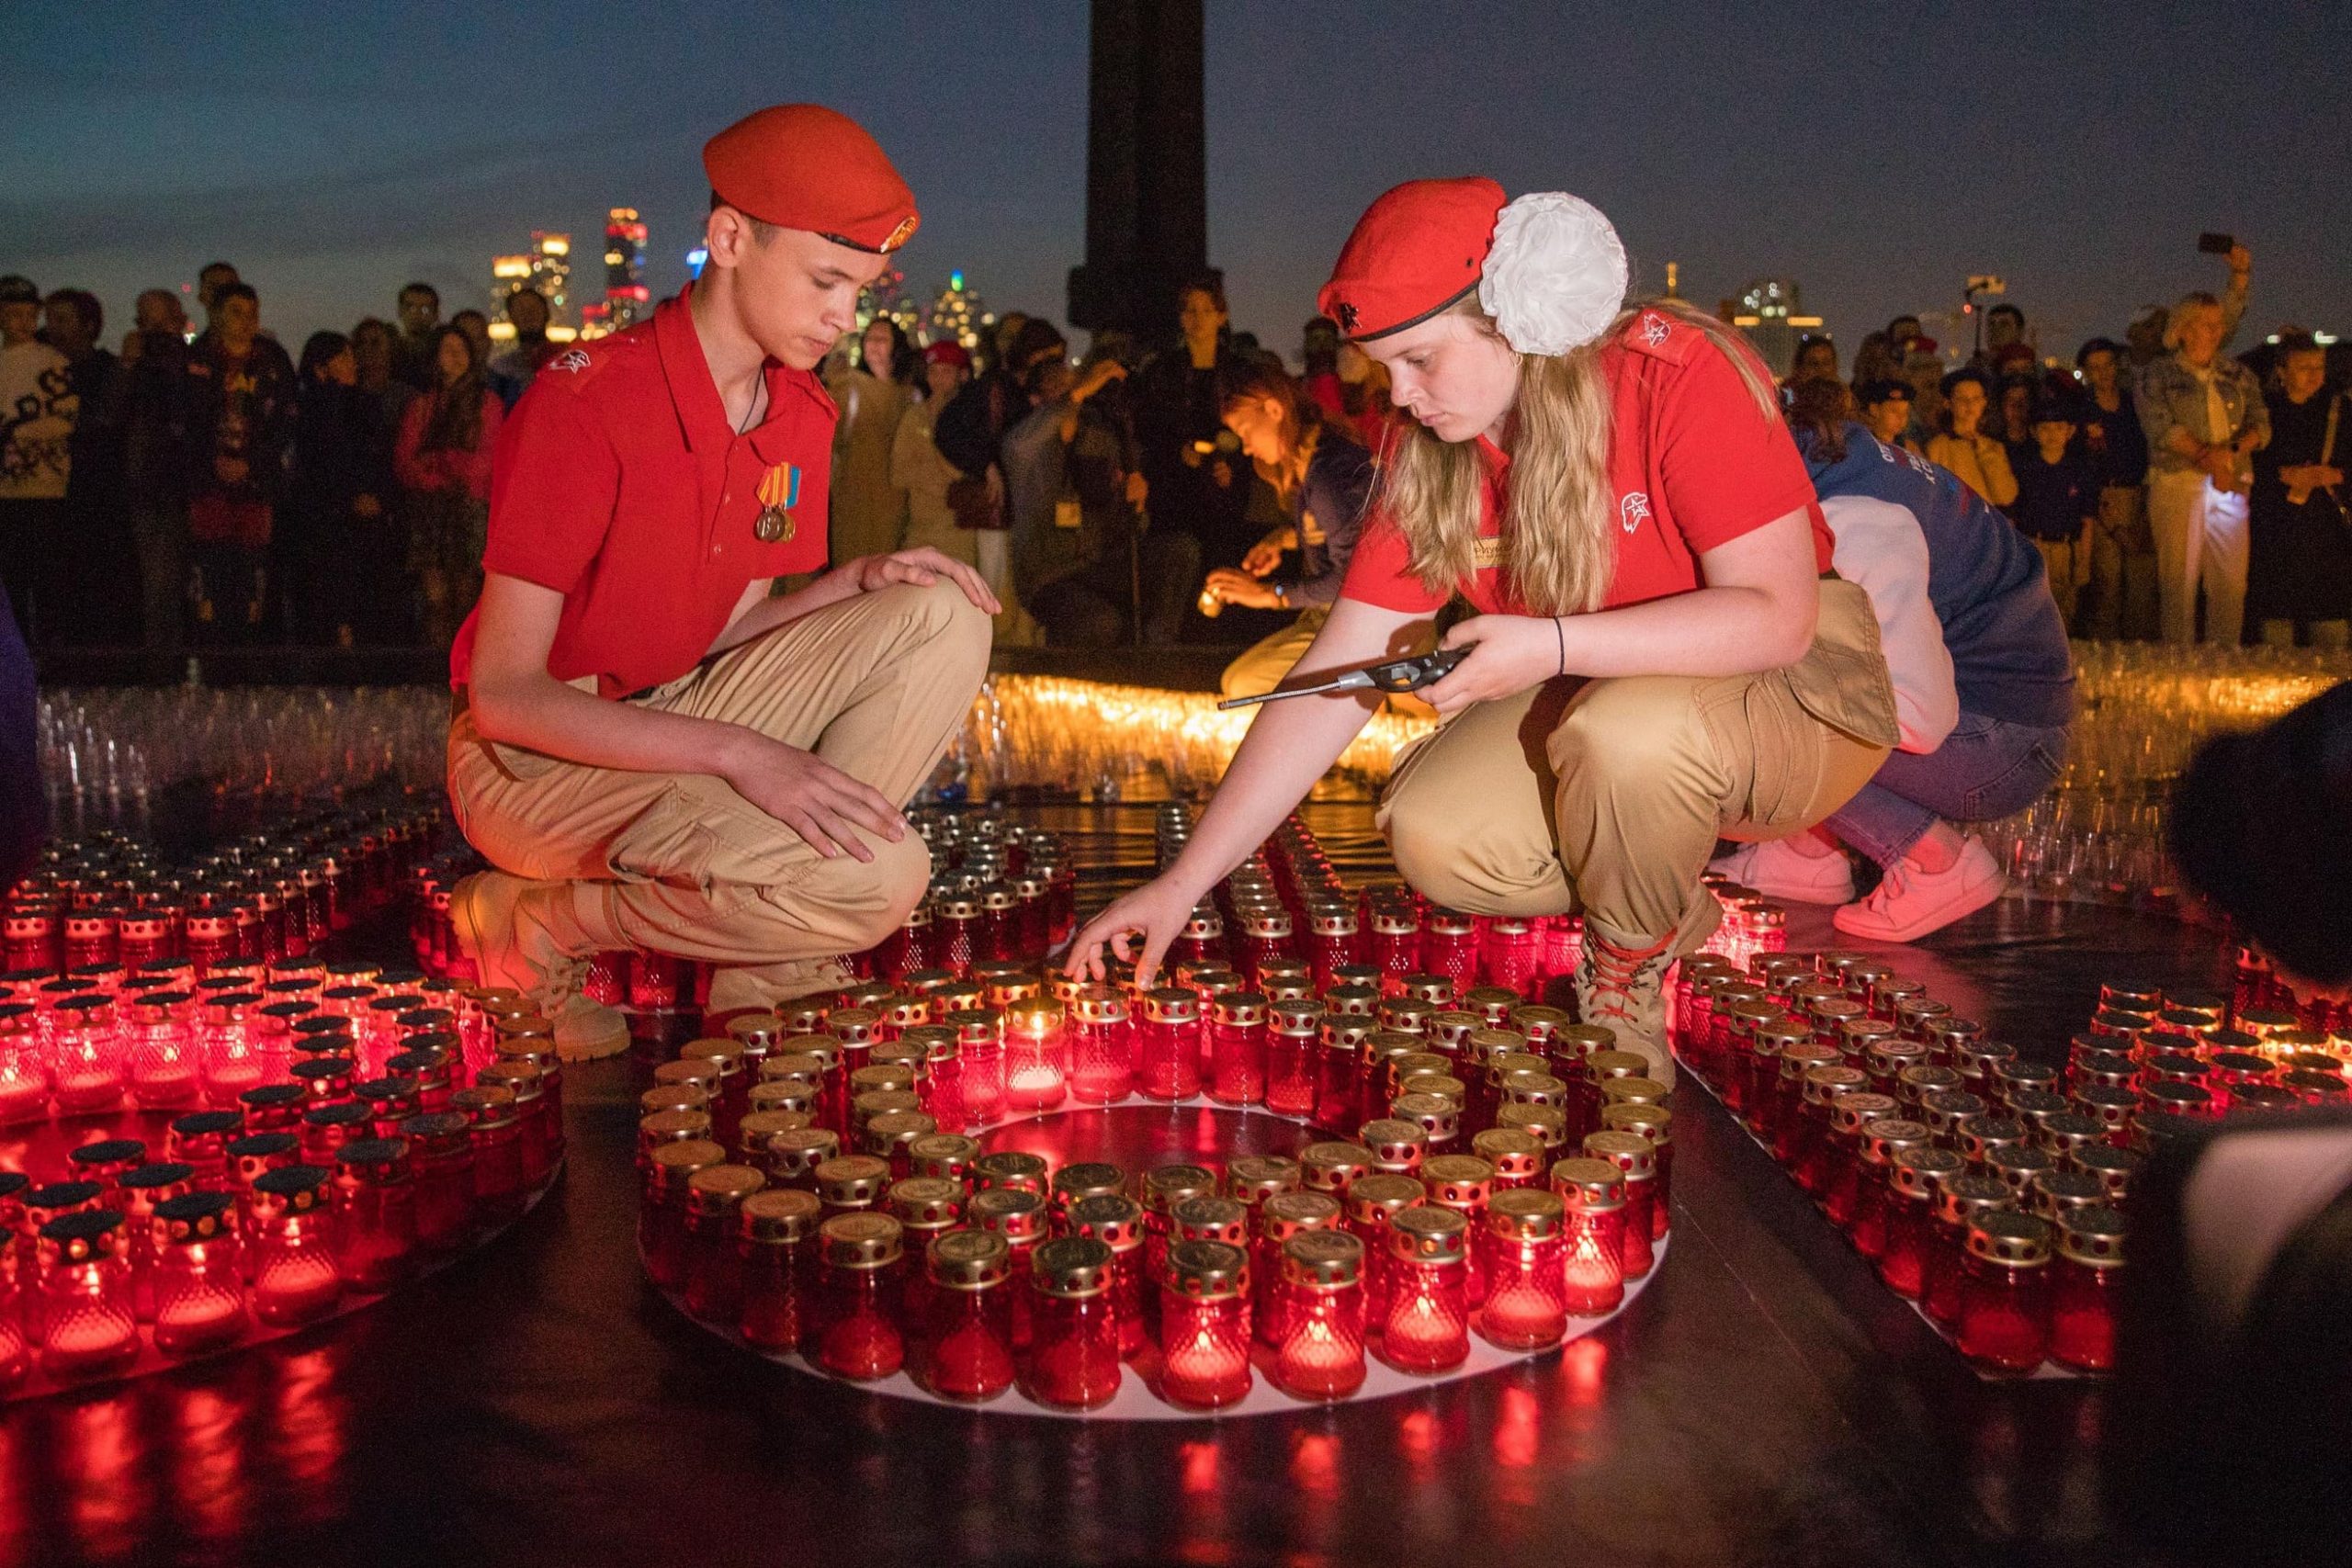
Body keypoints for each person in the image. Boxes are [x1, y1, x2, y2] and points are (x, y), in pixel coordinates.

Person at [1068, 178, 1898, 1080]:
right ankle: (1661, 904)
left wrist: (1548, 648)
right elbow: (1333, 676)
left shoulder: (1674, 372)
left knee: (1621, 734)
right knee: (1434, 829)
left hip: (1796, 695)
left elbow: (1774, 618)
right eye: (1381, 369)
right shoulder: (1433, 455)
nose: (1400, 395)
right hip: (1608, 698)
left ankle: (1626, 970)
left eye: (1419, 359)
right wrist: (1181, 886)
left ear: (1517, 315)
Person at [445, 103, 994, 1058]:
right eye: (825, 281)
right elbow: (502, 697)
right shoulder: (584, 403)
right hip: (538, 764)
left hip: (680, 707)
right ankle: (538, 923)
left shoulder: (798, 413)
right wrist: (743, 754)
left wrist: (859, 578)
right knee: (878, 878)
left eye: (860, 291)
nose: (843, 316)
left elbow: (721, 637)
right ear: (730, 238)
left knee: (942, 609)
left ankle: (765, 964)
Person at [1712, 384, 2072, 942]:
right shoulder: (1827, 456)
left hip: (2003, 741)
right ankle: (1807, 855)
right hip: (2007, 714)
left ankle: (1937, 863)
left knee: (1768, 726)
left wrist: (1779, 743)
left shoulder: (1849, 513)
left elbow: (1919, 714)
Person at [1204, 358, 1389, 701]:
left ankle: (1369, 709)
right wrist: (1285, 539)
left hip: (1370, 625)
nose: (1245, 447)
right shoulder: (1315, 463)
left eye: (1245, 430)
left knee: (1247, 686)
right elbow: (1343, 528)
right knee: (1236, 680)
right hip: (1338, 618)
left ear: (1273, 409)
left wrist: (1268, 595)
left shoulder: (1329, 473)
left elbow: (1353, 580)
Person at [1002, 335, 1194, 647]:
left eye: (1071, 386)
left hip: (1097, 564)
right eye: (1056, 390)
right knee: (1100, 623)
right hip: (1050, 575)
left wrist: (1136, 504)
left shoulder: (1101, 439)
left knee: (1179, 551)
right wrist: (1075, 395)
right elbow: (1033, 437)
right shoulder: (1024, 442)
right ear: (1036, 401)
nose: (1068, 396)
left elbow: (1127, 529)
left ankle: (1158, 651)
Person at [2138, 291, 2268, 644]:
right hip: (2179, 482)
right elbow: (2161, 427)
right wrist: (2208, 458)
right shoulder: (2158, 375)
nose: (2216, 331)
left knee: (2230, 582)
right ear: (2182, 329)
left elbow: (2261, 423)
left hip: (2232, 483)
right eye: (2206, 324)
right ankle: (2180, 665)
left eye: (2218, 325)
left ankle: (2223, 662)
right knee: (2178, 582)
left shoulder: (2237, 373)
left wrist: (2231, 451)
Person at [182, 282, 295, 643]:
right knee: (209, 566)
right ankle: (210, 653)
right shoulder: (195, 360)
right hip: (207, 482)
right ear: (215, 314)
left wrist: (256, 465)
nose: (246, 322)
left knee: (253, 568)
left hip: (256, 485)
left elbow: (285, 422)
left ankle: (251, 652)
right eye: (236, 312)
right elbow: (184, 421)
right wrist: (210, 462)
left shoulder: (272, 361)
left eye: (252, 314)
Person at [1131, 274, 1250, 604]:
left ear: (1220, 316)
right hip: (1174, 485)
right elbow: (1147, 427)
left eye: (1205, 311)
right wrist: (1175, 452)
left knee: (1221, 554)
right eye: (1189, 311)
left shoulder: (1237, 371)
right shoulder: (1161, 371)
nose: (1197, 319)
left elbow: (1249, 429)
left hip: (1222, 485)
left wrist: (1233, 464)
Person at [287, 331, 401, 645]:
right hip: (325, 518)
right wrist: (350, 496)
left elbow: (380, 458)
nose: (354, 363)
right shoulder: (307, 410)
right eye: (345, 357)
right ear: (322, 367)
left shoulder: (365, 405)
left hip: (363, 516)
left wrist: (378, 497)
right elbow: (316, 465)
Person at [395, 324, 503, 649]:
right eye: (447, 350)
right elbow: (404, 461)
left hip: (469, 508)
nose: (454, 357)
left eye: (461, 350)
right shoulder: (422, 406)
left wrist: (441, 462)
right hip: (430, 510)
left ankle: (464, 668)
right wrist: (441, 471)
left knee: (467, 594)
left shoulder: (488, 404)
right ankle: (435, 662)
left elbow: (488, 459)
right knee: (434, 597)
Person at [2245, 334, 2350, 647]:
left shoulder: (2340, 410)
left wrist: (2334, 474)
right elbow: (2251, 466)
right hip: (2277, 537)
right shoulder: (2264, 411)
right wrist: (2280, 474)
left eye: (2319, 366)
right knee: (2277, 630)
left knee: (2330, 632)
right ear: (2281, 371)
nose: (2314, 374)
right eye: (2304, 367)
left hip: (2328, 539)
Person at [0, 276, 75, 645]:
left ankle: (54, 660)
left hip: (47, 487)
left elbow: (64, 419)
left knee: (49, 583)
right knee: (10, 583)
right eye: (14, 313)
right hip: (6, 491)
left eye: (30, 313)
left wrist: (15, 433)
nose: (24, 321)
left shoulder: (54, 363)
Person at [118, 289, 192, 650]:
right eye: (146, 324)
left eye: (161, 325)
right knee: (157, 579)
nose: (155, 334)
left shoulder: (194, 361)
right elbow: (113, 411)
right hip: (149, 482)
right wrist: (129, 365)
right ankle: (160, 658)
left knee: (182, 580)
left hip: (191, 482)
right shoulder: (136, 366)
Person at [2075, 336, 2156, 640]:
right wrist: (2105, 516)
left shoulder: (2135, 404)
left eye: (2108, 365)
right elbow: (2082, 467)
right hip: (2102, 500)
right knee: (2106, 585)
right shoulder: (2082, 411)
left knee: (2142, 585)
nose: (2104, 373)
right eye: (2095, 367)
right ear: (2085, 371)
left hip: (2139, 494)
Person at [827, 316, 913, 566]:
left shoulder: (909, 396)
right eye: (870, 339)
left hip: (895, 498)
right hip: (853, 496)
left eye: (882, 339)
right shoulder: (847, 387)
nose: (874, 344)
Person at [2007, 390, 2098, 626]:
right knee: (2032, 612)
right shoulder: (2024, 467)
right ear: (2034, 433)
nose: (2053, 435)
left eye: (2059, 428)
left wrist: (2084, 561)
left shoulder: (2079, 469)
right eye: (2046, 429)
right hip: (2034, 544)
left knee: (2064, 614)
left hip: (2067, 549)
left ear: (2070, 431)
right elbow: (2013, 516)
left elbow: (2087, 520)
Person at [1927, 367, 2017, 506]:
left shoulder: (1993, 447)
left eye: (1976, 398)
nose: (1970, 404)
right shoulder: (1937, 447)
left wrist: (1985, 454)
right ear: (1948, 403)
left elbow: (2005, 497)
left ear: (1984, 402)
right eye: (1962, 399)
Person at [487, 288, 560, 409]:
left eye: (533, 308)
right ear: (511, 318)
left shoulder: (566, 359)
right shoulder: (501, 370)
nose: (528, 314)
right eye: (521, 310)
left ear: (546, 313)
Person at [392, 282, 443, 391]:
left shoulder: (443, 354)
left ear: (436, 315)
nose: (417, 315)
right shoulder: (388, 353)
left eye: (425, 309)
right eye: (410, 308)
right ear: (400, 311)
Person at [1856, 378, 1914, 447]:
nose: (1901, 417)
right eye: (1894, 411)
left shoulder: (1909, 447)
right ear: (1874, 409)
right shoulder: (1862, 442)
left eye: (1905, 412)